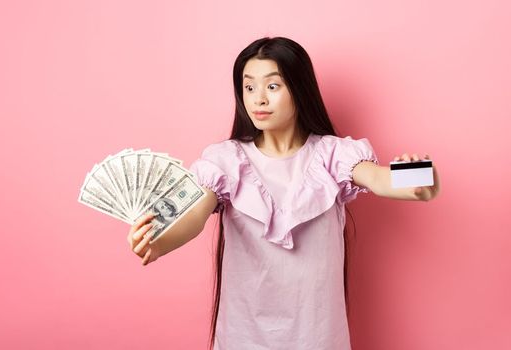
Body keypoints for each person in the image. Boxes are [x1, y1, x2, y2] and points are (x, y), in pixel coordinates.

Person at [125, 37, 441, 350]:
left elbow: (383, 179)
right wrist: (158, 241)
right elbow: (193, 214)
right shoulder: (226, 159)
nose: (258, 99)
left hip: (317, 334)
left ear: (299, 89)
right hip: (243, 334)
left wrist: (419, 179)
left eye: (272, 86)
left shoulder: (332, 154)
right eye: (249, 87)